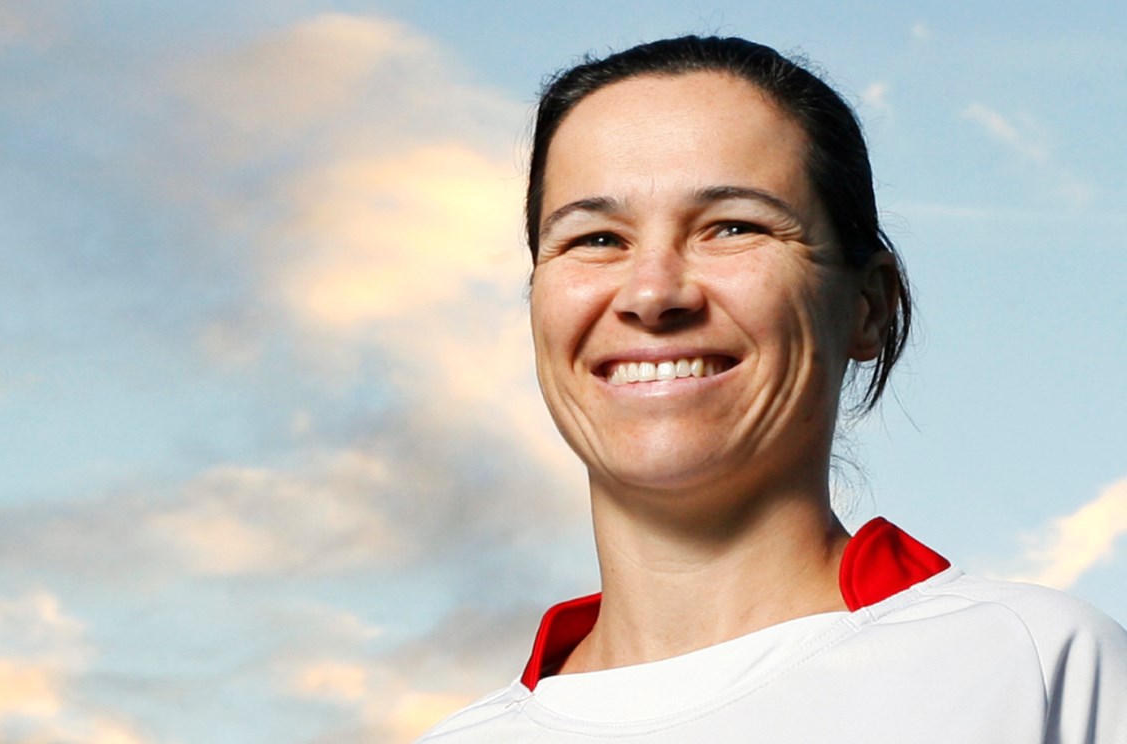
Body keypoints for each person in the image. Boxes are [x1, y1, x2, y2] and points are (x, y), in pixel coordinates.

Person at [415, 36, 1127, 743]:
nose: (652, 293)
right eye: (596, 239)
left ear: (868, 307)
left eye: (732, 227)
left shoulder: (1032, 667)